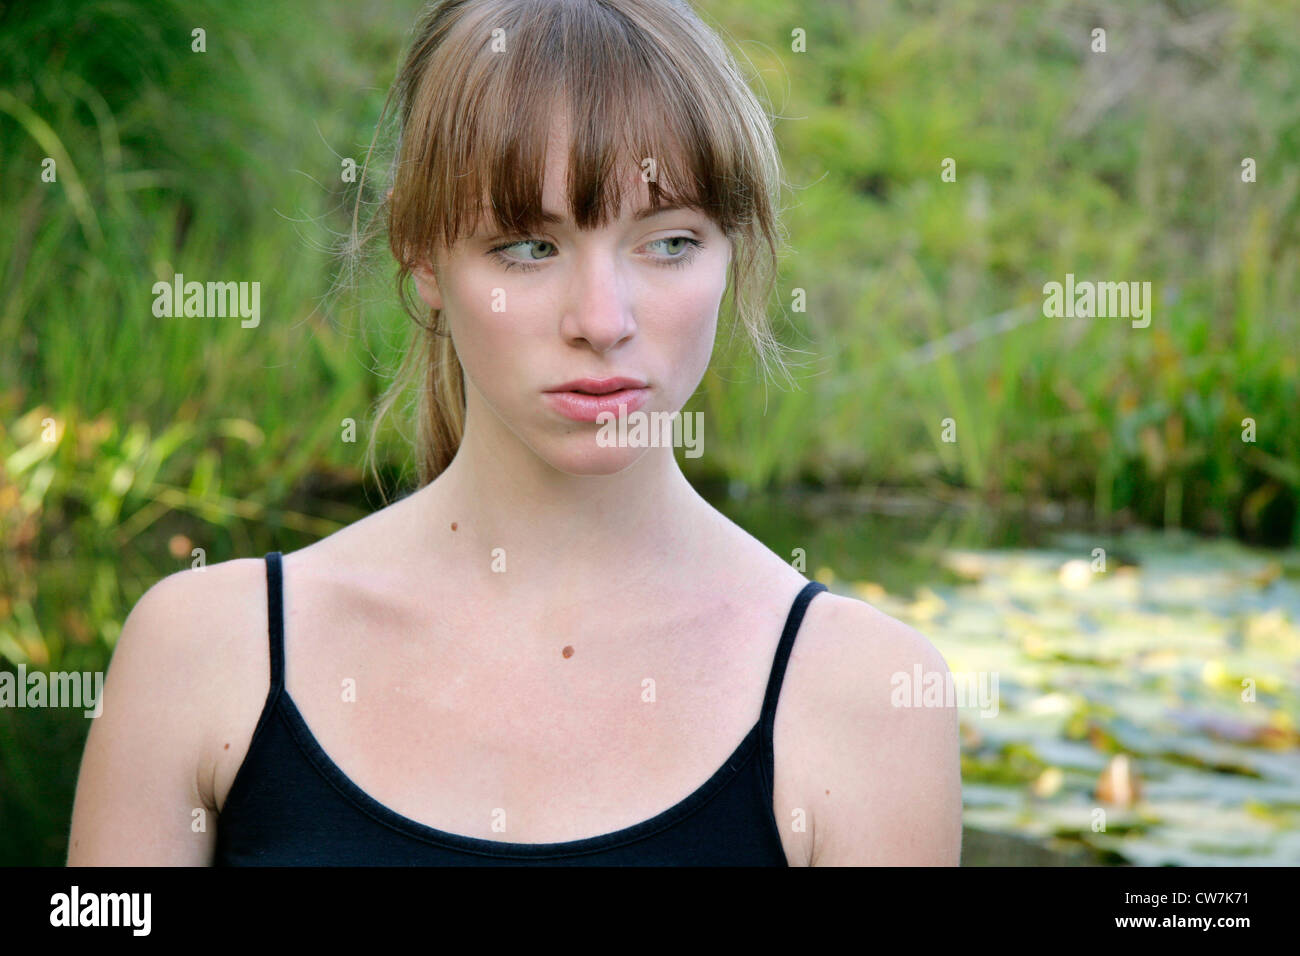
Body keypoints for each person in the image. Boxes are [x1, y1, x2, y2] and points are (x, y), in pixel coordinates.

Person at [67, 0, 961, 866]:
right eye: (530, 248)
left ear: (734, 253)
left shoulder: (865, 697)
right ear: (422, 261)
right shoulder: (203, 652)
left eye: (669, 241)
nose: (602, 320)